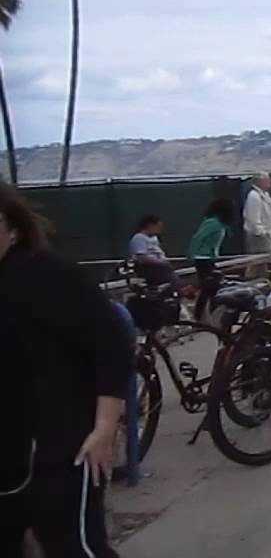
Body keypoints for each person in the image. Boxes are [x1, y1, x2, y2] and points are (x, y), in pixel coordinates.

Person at [0, 183, 131, 557]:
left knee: (74, 546)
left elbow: (111, 347)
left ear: (12, 229)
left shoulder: (49, 276)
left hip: (58, 451)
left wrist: (105, 427)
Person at [189, 197, 235, 322]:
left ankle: (205, 315)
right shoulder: (212, 223)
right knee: (208, 287)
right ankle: (200, 316)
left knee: (210, 287)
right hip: (203, 258)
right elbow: (197, 238)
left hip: (209, 258)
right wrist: (192, 254)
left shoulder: (220, 223)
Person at [242, 171, 271, 275]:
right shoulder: (254, 196)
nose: (269, 182)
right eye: (267, 180)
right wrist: (261, 232)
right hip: (258, 236)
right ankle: (250, 279)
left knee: (263, 262)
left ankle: (261, 279)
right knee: (257, 261)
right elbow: (252, 217)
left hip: (266, 234)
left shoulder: (265, 195)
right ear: (260, 181)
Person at [129, 213, 176, 285]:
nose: (160, 230)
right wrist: (161, 262)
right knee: (171, 279)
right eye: (158, 227)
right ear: (150, 226)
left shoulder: (155, 238)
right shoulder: (139, 238)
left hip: (160, 267)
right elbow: (142, 258)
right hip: (147, 268)